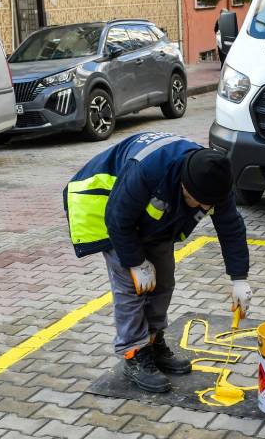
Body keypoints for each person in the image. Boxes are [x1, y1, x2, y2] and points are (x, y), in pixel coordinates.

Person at [64, 132, 252, 393]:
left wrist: (239, 278)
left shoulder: (215, 178)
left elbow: (230, 227)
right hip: (107, 211)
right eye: (198, 201)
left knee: (163, 282)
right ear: (184, 185)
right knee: (132, 288)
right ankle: (134, 353)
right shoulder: (147, 170)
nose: (202, 207)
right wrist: (137, 263)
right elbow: (118, 220)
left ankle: (152, 343)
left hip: (153, 220)